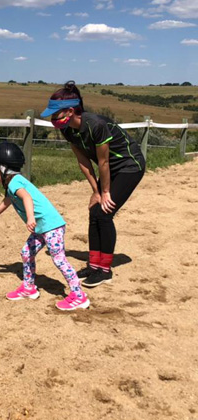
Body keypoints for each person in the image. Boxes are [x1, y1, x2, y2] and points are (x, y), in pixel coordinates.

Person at [40, 81, 146, 288]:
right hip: (109, 170)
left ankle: (104, 270)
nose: (53, 119)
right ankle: (93, 264)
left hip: (129, 165)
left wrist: (105, 192)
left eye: (56, 114)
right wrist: (95, 192)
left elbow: (104, 162)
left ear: (70, 111)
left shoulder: (96, 125)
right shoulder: (68, 130)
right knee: (94, 212)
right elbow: (83, 162)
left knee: (105, 213)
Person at [0, 141, 90, 311]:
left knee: (59, 259)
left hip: (51, 227)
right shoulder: (13, 183)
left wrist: (30, 217)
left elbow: (26, 198)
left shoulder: (15, 183)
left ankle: (79, 296)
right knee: (26, 253)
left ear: (4, 169)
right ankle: (29, 288)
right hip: (42, 228)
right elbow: (5, 203)